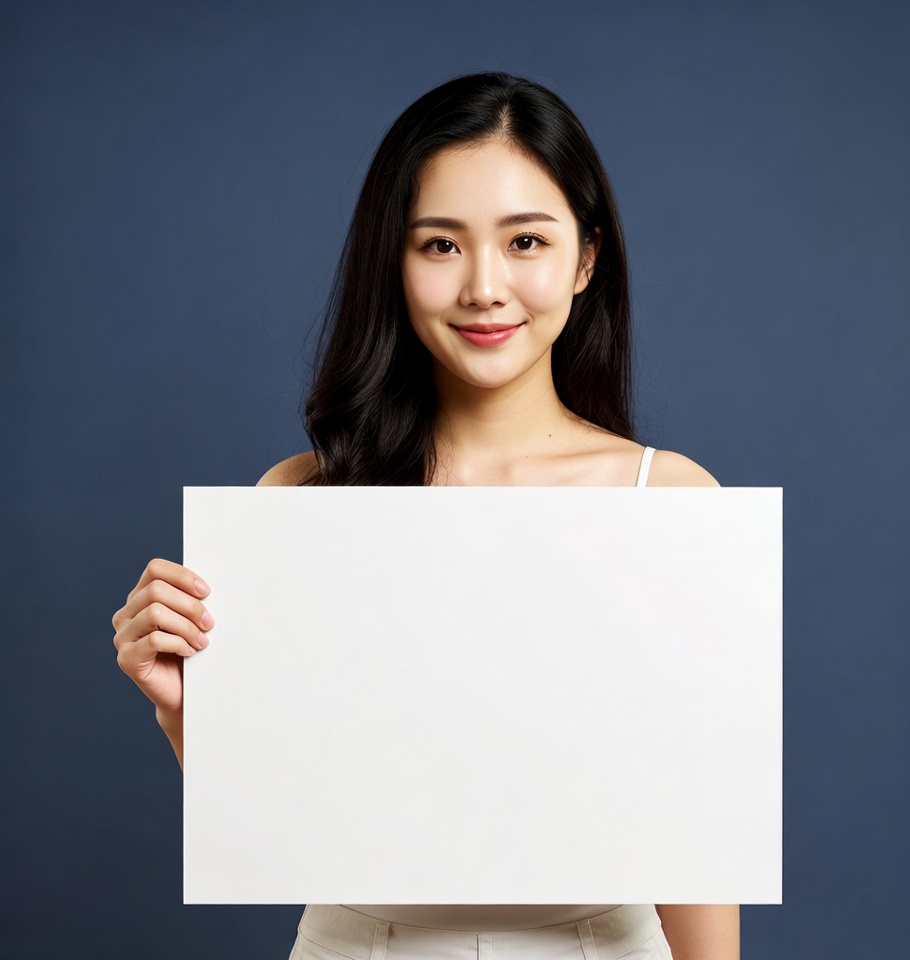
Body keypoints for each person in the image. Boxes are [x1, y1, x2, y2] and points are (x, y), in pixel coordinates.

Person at [113, 73, 740, 960]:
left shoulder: (669, 503)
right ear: (393, 263)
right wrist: (185, 712)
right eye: (440, 245)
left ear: (587, 258)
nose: (485, 287)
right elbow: (282, 824)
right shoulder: (299, 501)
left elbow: (696, 833)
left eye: (526, 240)